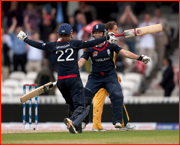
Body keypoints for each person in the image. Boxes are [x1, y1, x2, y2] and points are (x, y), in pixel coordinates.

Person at [17, 23, 117, 134]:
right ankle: (72, 120)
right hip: (73, 80)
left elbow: (39, 45)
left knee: (71, 104)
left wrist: (25, 39)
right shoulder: (74, 43)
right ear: (71, 33)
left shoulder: (54, 45)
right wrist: (106, 37)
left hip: (61, 82)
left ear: (58, 34)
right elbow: (92, 42)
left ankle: (75, 130)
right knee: (81, 106)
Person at [78, 23, 151, 130]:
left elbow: (125, 53)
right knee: (86, 96)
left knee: (117, 95)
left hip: (110, 76)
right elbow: (81, 61)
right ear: (93, 34)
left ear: (104, 33)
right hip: (95, 77)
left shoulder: (111, 45)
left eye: (99, 33)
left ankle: (118, 122)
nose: (97, 35)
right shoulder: (90, 47)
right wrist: (74, 70)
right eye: (95, 33)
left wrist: (139, 57)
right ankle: (84, 121)